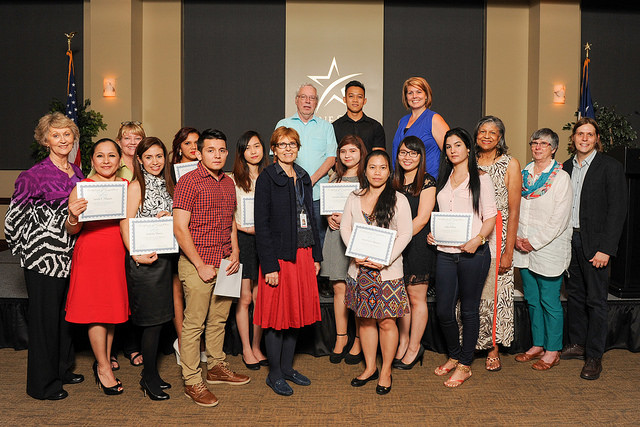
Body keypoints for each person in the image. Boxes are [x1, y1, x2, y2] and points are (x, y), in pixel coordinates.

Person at [4, 112, 85, 401]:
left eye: (67, 134)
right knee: (44, 322)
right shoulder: (33, 176)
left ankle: (61, 370)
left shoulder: (78, 175)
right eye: (56, 135)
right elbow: (13, 221)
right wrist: (29, 253)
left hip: (71, 258)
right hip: (43, 260)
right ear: (45, 140)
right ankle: (42, 385)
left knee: (65, 318)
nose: (63, 140)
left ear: (73, 138)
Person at [173, 129, 250, 407]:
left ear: (227, 153)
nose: (216, 155)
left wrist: (236, 252)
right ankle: (192, 381)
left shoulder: (228, 182)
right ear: (198, 152)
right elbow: (180, 229)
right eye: (210, 150)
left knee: (218, 320)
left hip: (225, 261)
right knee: (193, 325)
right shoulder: (189, 182)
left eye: (221, 150)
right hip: (198, 263)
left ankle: (216, 366)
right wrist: (199, 264)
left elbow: (230, 220)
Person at [254, 126, 323, 397]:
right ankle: (274, 374)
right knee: (276, 318)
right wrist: (269, 265)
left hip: (303, 254)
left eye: (292, 144)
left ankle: (286, 368)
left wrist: (316, 256)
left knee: (295, 314)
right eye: (282, 144)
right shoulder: (267, 178)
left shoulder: (304, 177)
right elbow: (262, 224)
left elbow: (311, 220)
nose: (288, 149)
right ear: (273, 149)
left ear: (298, 147)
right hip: (280, 258)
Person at [428, 128, 497, 388]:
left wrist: (477, 240)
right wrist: (433, 235)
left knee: (469, 311)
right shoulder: (443, 178)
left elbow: (490, 216)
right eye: (448, 146)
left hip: (474, 254)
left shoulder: (482, 178)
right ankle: (454, 355)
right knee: (444, 309)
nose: (453, 150)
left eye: (458, 145)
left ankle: (465, 364)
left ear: (468, 149)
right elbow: (442, 213)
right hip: (445, 253)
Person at [340, 150, 413, 395]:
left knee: (386, 321)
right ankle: (370, 367)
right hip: (359, 270)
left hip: (387, 272)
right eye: (372, 167)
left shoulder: (398, 199)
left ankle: (385, 371)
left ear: (389, 171)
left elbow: (405, 234)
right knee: (364, 320)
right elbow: (345, 227)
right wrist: (354, 253)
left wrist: (386, 259)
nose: (377, 172)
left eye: (382, 168)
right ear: (365, 170)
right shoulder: (354, 196)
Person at [560, 117, 627, 380]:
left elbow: (617, 212)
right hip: (569, 241)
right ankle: (578, 343)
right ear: (573, 138)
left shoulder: (610, 167)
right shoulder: (564, 168)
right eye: (580, 134)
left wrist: (606, 249)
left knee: (596, 300)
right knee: (575, 296)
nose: (584, 139)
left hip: (596, 245)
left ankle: (594, 356)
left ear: (596, 138)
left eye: (590, 134)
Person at [65, 138, 130, 395]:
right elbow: (73, 229)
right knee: (96, 311)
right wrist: (72, 215)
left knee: (112, 310)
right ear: (91, 161)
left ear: (120, 159)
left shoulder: (127, 186)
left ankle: (105, 359)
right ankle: (103, 366)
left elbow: (132, 220)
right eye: (100, 156)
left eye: (111, 155)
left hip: (117, 253)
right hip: (91, 252)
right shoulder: (83, 187)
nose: (106, 161)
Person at [513, 128, 572, 370]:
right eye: (534, 143)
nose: (538, 147)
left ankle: (553, 349)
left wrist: (534, 241)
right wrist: (517, 238)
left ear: (553, 148)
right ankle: (537, 345)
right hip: (521, 247)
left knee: (549, 301)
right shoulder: (524, 173)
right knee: (532, 299)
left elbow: (559, 219)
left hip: (548, 248)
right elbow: (515, 208)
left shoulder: (561, 178)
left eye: (544, 144)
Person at [120, 137, 175, 400]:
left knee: (162, 320)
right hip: (144, 262)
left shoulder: (169, 185)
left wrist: (169, 217)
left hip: (165, 260)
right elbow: (125, 223)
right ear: (139, 160)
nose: (155, 162)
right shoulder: (134, 186)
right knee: (151, 324)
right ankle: (148, 378)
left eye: (159, 156)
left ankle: (152, 373)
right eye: (149, 157)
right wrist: (135, 254)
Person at [473, 115, 521, 372]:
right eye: (482, 131)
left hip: (498, 235)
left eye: (493, 132)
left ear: (500, 137)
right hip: (471, 232)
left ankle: (493, 348)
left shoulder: (509, 164)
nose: (487, 136)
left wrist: (508, 252)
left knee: (496, 292)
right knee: (471, 290)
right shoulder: (468, 160)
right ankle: (470, 341)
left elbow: (514, 211)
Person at [320, 135, 367, 364]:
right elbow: (329, 205)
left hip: (358, 236)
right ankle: (341, 337)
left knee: (357, 288)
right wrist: (329, 216)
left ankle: (358, 340)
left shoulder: (367, 177)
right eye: (343, 151)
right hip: (336, 234)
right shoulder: (334, 177)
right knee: (339, 288)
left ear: (361, 153)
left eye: (353, 151)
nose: (347, 155)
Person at [391, 136, 437, 370]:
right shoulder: (392, 181)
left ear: (421, 157)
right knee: (402, 299)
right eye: (403, 152)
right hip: (395, 246)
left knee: (417, 298)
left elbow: (422, 218)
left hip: (417, 245)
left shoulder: (427, 181)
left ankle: (414, 347)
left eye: (413, 153)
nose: (407, 157)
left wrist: (400, 239)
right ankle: (403, 341)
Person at [276, 83, 337, 247]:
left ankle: (318, 274)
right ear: (296, 100)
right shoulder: (283, 124)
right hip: (290, 192)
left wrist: (310, 180)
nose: (307, 101)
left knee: (320, 238)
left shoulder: (326, 127)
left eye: (312, 98)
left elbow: (331, 158)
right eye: (303, 97)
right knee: (293, 237)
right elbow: (276, 158)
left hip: (318, 195)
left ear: (317, 102)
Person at [231, 131, 269, 369]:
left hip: (265, 242)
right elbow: (227, 216)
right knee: (245, 298)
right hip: (243, 241)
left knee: (260, 298)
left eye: (257, 145)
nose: (254, 151)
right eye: (248, 148)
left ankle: (257, 346)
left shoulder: (270, 177)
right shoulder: (232, 179)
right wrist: (242, 228)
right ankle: (246, 347)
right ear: (242, 153)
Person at [168, 127, 203, 365]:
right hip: (175, 235)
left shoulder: (206, 167)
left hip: (199, 236)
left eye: (196, 143)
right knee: (178, 290)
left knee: (198, 293)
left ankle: (197, 342)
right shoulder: (170, 171)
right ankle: (182, 341)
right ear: (179, 146)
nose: (192, 147)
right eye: (188, 143)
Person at [390, 76, 449, 177]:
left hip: (428, 183)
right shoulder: (402, 121)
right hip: (401, 182)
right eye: (410, 93)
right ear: (406, 97)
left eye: (419, 92)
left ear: (426, 95)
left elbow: (450, 152)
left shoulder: (434, 119)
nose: (414, 96)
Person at [332, 80, 386, 153]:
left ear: (364, 100)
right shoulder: (335, 127)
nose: (355, 100)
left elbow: (378, 158)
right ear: (344, 99)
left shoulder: (375, 127)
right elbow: (333, 157)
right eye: (351, 96)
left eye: (359, 97)